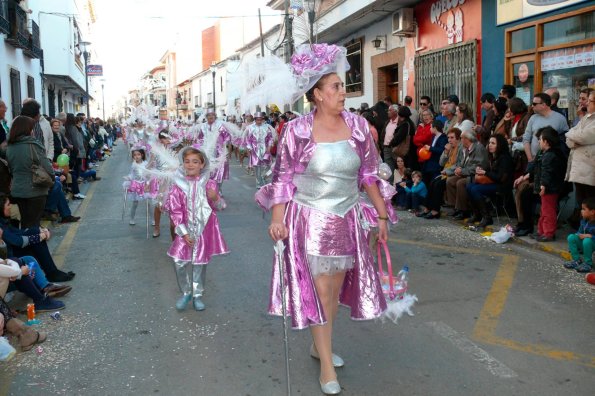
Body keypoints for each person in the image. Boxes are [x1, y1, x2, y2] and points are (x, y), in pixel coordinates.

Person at [253, 44, 396, 395]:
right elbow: (283, 177)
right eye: (335, 87)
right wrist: (277, 218)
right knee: (319, 290)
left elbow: (368, 175)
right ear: (316, 94)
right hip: (310, 219)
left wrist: (380, 215)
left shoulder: (359, 126)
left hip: (347, 218)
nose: (342, 93)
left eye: (342, 86)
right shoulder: (297, 131)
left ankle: (320, 346)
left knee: (332, 291)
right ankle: (327, 365)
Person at [163, 146, 228, 312]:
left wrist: (216, 198)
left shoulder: (209, 183)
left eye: (195, 161)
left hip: (203, 231)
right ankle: (186, 292)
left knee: (200, 263)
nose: (190, 164)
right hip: (184, 231)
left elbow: (220, 207)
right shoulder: (178, 185)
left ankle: (197, 295)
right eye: (187, 161)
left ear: (202, 164)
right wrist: (183, 233)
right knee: (179, 261)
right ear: (182, 164)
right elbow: (175, 211)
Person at [0, 193, 75, 282]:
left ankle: (51, 272)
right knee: (36, 238)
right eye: (8, 205)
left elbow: (19, 232)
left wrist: (41, 230)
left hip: (13, 252)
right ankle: (51, 273)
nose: (10, 207)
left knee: (35, 231)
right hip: (9, 259)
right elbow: (18, 241)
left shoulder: (2, 221)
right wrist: (39, 237)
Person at [6, 116, 55, 228]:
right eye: (31, 128)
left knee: (24, 223)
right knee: (33, 225)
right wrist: (52, 176)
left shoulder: (10, 147)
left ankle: (27, 243)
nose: (33, 131)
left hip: (17, 190)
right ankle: (35, 243)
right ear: (26, 129)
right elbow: (47, 167)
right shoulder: (34, 145)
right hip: (35, 190)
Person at [465, 134, 513, 229]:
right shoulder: (495, 156)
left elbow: (500, 178)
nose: (490, 145)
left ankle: (487, 217)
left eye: (493, 143)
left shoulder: (505, 158)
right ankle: (477, 214)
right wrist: (481, 170)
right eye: (489, 143)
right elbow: (492, 173)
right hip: (494, 182)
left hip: (502, 186)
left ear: (500, 145)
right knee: (469, 186)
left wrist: (485, 172)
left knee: (475, 189)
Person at [418, 128, 462, 219]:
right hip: (445, 172)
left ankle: (435, 211)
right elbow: (441, 163)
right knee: (432, 182)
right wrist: (445, 152)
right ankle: (427, 209)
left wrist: (447, 171)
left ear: (458, 139)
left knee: (438, 184)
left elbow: (459, 164)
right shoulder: (449, 148)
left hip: (454, 173)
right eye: (448, 137)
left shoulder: (460, 149)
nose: (449, 140)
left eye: (452, 138)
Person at [446, 130, 489, 220]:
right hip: (466, 173)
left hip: (476, 175)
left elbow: (479, 166)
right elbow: (460, 163)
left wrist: (463, 171)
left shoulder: (479, 148)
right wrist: (458, 170)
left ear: (467, 139)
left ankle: (463, 210)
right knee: (450, 180)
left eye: (461, 138)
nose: (460, 140)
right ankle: (455, 207)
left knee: (460, 183)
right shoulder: (463, 148)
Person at [565, 90, 595, 208]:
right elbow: (569, 137)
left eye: (590, 101)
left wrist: (572, 135)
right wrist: (572, 137)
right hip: (579, 171)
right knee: (581, 203)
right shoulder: (586, 118)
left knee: (590, 205)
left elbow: (582, 137)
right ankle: (584, 226)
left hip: (590, 171)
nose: (587, 103)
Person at [523, 93, 568, 163]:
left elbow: (565, 140)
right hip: (534, 160)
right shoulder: (533, 118)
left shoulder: (560, 119)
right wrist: (530, 158)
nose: (532, 106)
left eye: (534, 104)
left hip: (552, 161)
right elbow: (526, 139)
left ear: (543, 105)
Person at [564, 197, 595, 273]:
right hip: (585, 244)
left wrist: (590, 236)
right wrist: (578, 235)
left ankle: (588, 264)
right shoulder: (584, 221)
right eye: (582, 209)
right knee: (571, 237)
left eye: (584, 209)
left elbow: (589, 238)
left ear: (592, 212)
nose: (581, 211)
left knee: (587, 241)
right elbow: (579, 232)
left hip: (592, 244)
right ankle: (576, 260)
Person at [245, 112, 275, 189]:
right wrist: (250, 148)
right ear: (255, 119)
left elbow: (270, 138)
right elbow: (248, 139)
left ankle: (263, 177)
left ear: (262, 119)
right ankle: (258, 182)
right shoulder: (250, 128)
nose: (259, 121)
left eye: (260, 119)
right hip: (255, 149)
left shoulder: (266, 127)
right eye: (257, 119)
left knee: (267, 165)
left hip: (265, 149)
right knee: (257, 166)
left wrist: (269, 146)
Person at [124, 147, 148, 226]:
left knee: (148, 203)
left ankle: (153, 219)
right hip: (136, 185)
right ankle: (132, 218)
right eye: (134, 155)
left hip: (144, 184)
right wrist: (128, 178)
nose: (137, 156)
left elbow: (148, 174)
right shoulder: (133, 165)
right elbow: (132, 174)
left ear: (142, 155)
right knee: (135, 203)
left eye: (138, 154)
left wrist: (148, 182)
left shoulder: (146, 163)